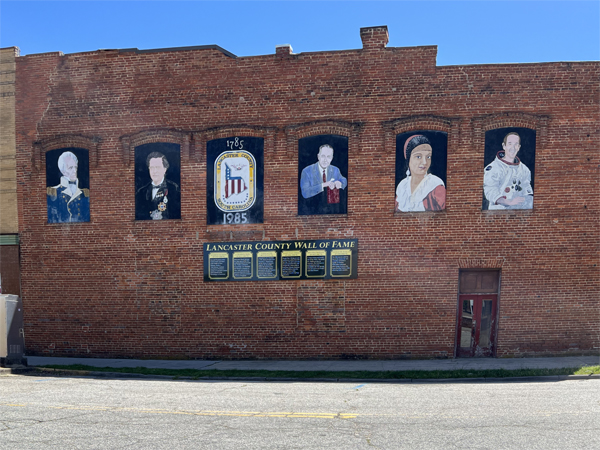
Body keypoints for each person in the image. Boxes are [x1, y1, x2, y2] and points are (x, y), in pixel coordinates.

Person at [395, 135, 446, 212]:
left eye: (428, 157)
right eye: (418, 157)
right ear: (408, 159)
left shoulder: (436, 185)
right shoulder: (402, 187)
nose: (425, 162)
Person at [483, 132, 533, 210]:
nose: (513, 148)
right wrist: (508, 202)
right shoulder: (493, 168)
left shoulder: (524, 169)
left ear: (519, 147)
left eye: (516, 144)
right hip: (498, 212)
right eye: (510, 144)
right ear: (504, 146)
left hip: (519, 211)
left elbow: (527, 190)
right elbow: (490, 191)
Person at [47, 151, 90, 223]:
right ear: (63, 171)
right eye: (70, 168)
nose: (74, 171)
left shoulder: (85, 193)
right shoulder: (52, 192)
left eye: (75, 167)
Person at [135, 152, 181, 220]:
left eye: (158, 167)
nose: (155, 171)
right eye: (152, 168)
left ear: (165, 169)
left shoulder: (174, 189)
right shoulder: (141, 192)